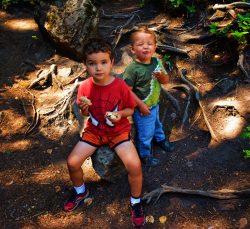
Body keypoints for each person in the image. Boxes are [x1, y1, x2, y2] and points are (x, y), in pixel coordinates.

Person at [63, 38, 145, 227]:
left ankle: (136, 202)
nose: (98, 68)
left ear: (111, 62)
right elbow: (86, 113)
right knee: (72, 162)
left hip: (118, 131)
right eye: (92, 64)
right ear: (85, 65)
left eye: (103, 62)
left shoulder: (120, 86)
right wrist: (84, 108)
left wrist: (119, 114)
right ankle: (80, 191)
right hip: (95, 131)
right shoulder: (84, 87)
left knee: (134, 165)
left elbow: (130, 110)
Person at [123, 25, 174, 167]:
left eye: (149, 44)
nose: (145, 47)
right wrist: (140, 105)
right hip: (142, 109)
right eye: (140, 44)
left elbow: (166, 81)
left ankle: (160, 139)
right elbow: (127, 91)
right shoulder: (132, 69)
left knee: (157, 124)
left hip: (155, 104)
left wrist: (161, 75)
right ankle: (145, 154)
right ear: (133, 49)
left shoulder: (157, 62)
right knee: (145, 134)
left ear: (155, 46)